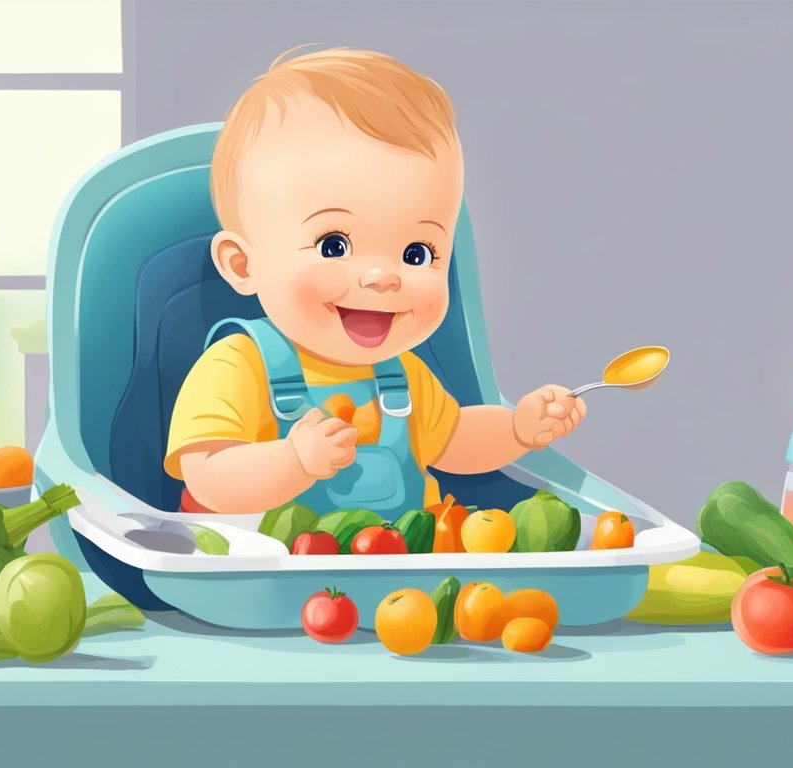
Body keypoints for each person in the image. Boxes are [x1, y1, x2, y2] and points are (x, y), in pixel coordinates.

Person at [164, 47, 585, 518]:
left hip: (397, 577)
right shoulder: (239, 365)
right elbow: (210, 476)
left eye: (416, 254)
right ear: (242, 265)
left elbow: (453, 441)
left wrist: (516, 431)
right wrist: (293, 461)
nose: (384, 277)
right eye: (333, 246)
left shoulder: (402, 375)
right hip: (261, 579)